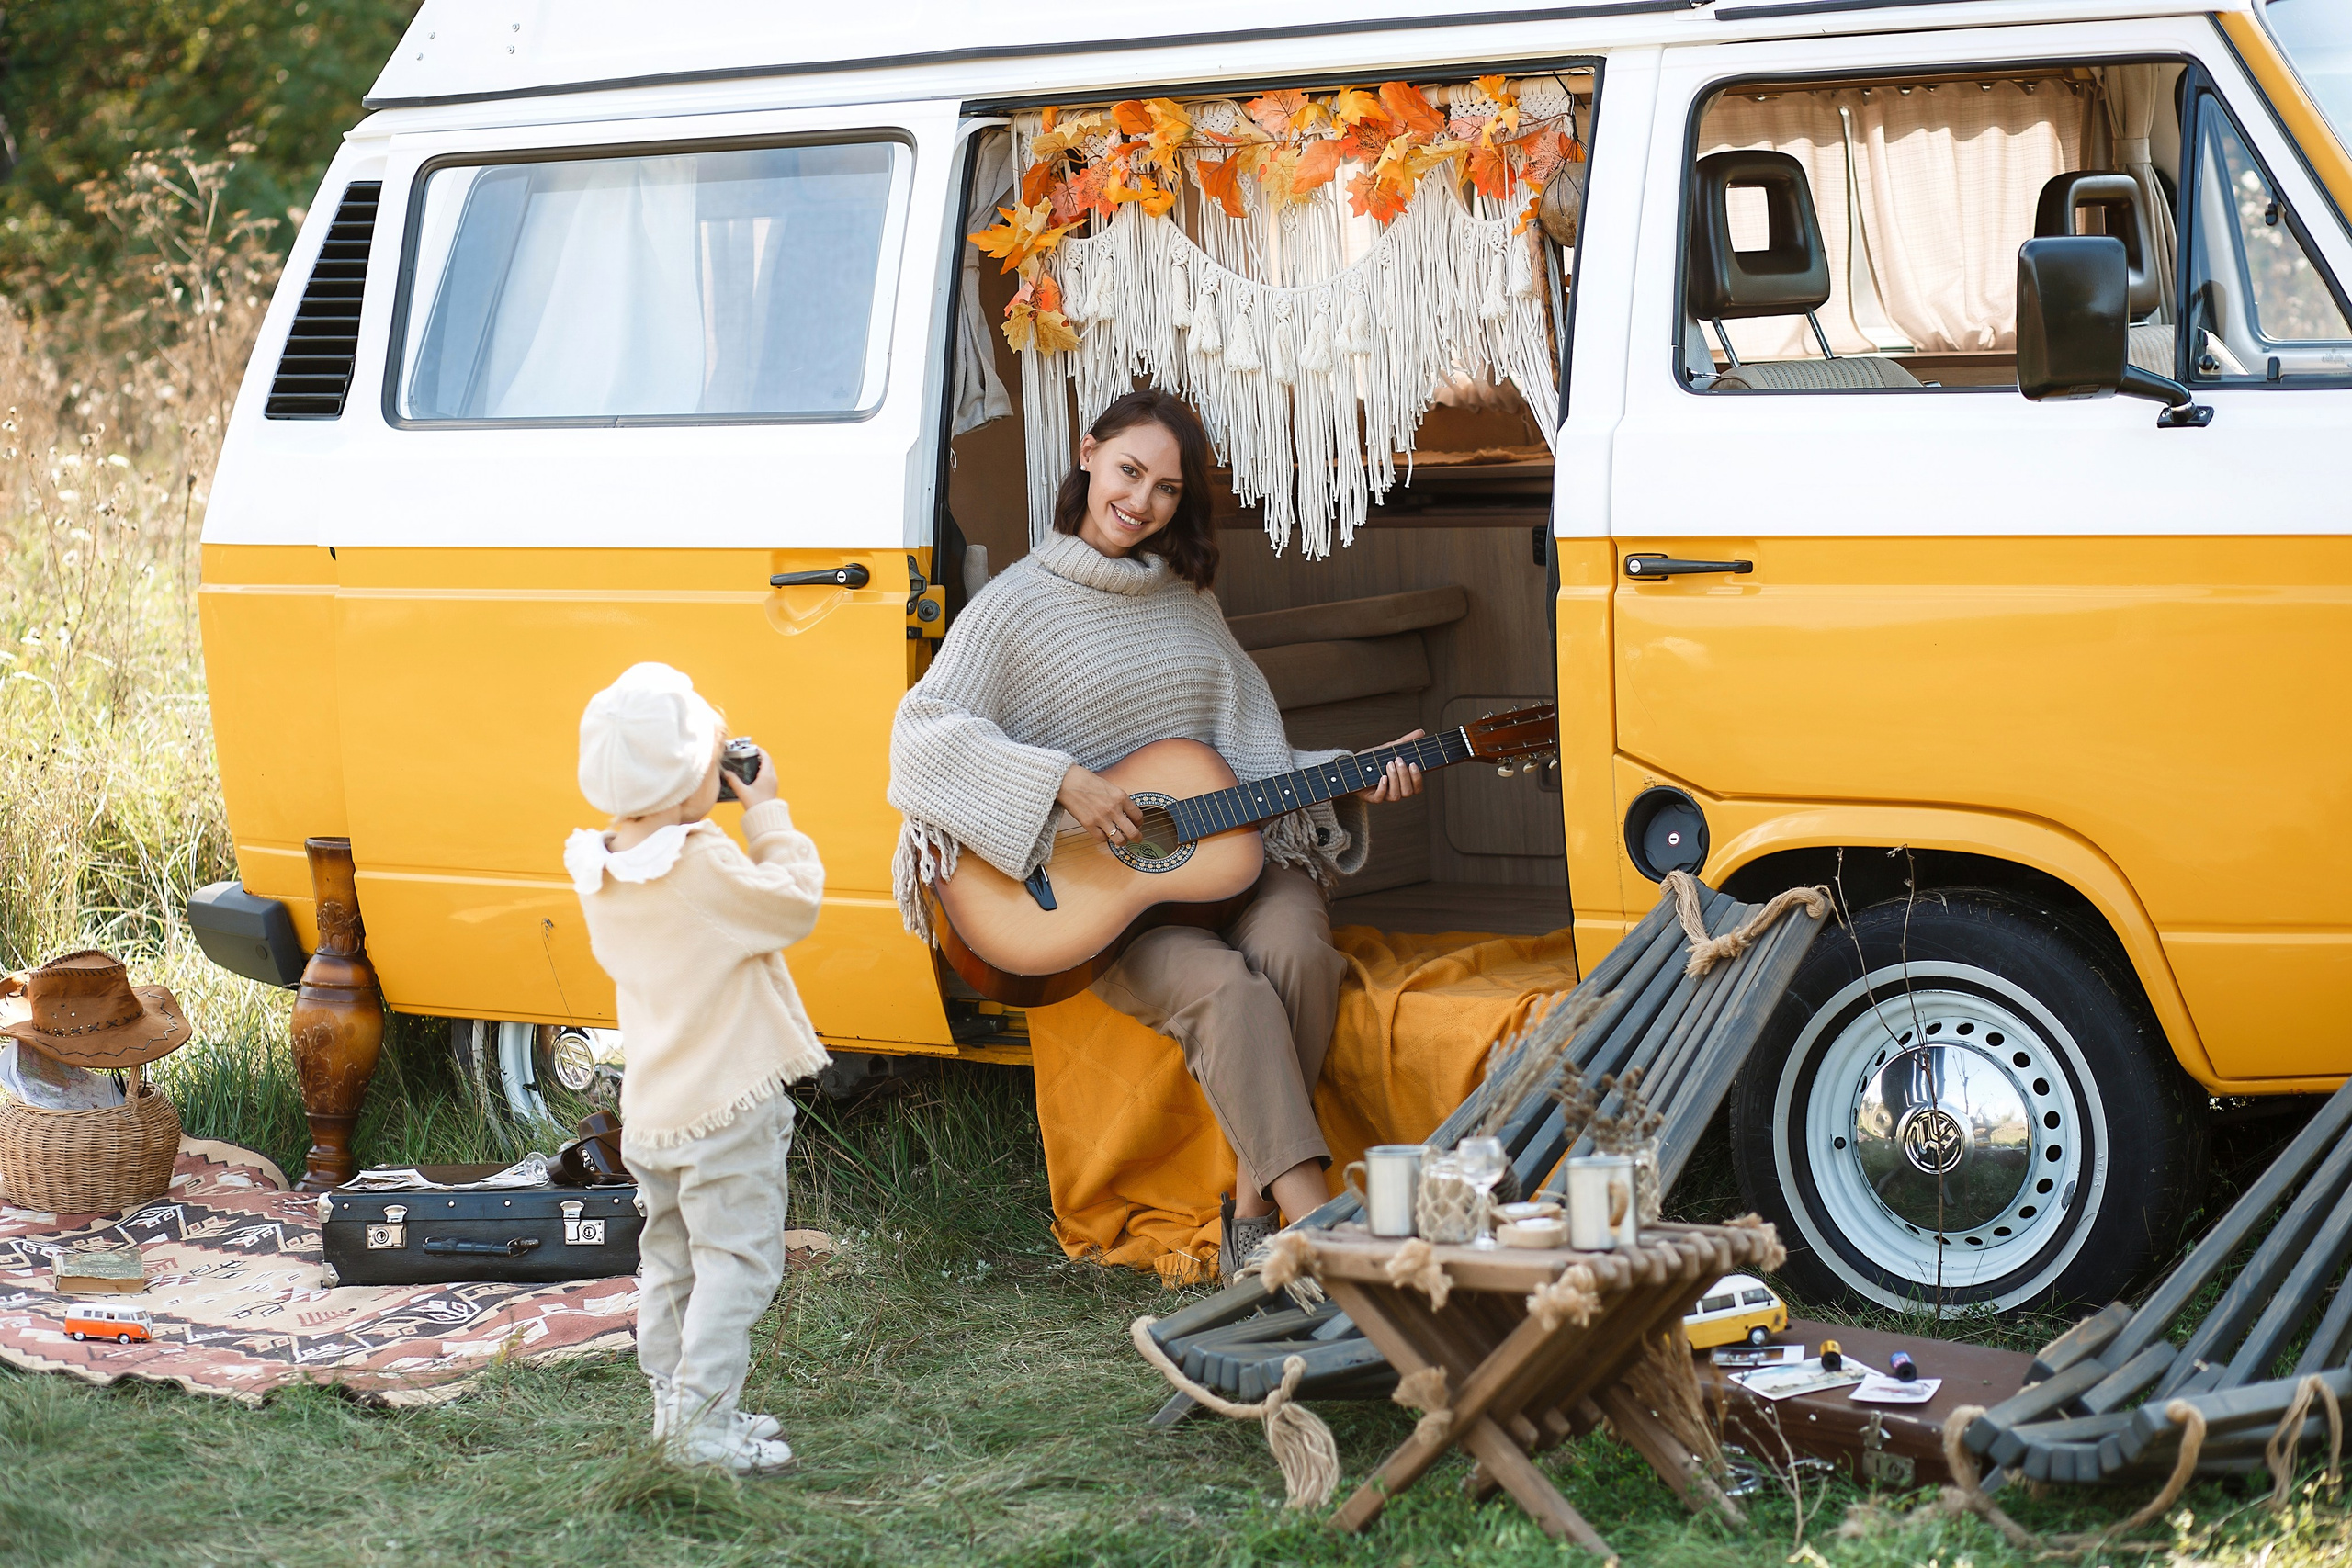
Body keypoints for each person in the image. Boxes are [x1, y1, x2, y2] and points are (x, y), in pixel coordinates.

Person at [890, 389, 1423, 1279]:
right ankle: (1327, 1238)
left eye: (1167, 489)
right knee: (1226, 991)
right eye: (1129, 472)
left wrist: (1362, 767)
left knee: (1296, 951)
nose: (1140, 502)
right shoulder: (1016, 605)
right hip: (1099, 902)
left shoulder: (1187, 601)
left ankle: (1253, 1213)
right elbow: (921, 734)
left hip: (1228, 860)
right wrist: (1058, 780)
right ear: (1088, 455)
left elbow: (1252, 758)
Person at [565, 661, 830, 1476]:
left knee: (672, 1264)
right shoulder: (700, 862)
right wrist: (766, 809)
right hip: (725, 1107)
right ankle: (705, 1435)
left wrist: (692, 811)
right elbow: (794, 901)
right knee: (738, 1264)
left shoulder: (602, 862)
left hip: (654, 1110)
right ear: (689, 779)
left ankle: (674, 1417)